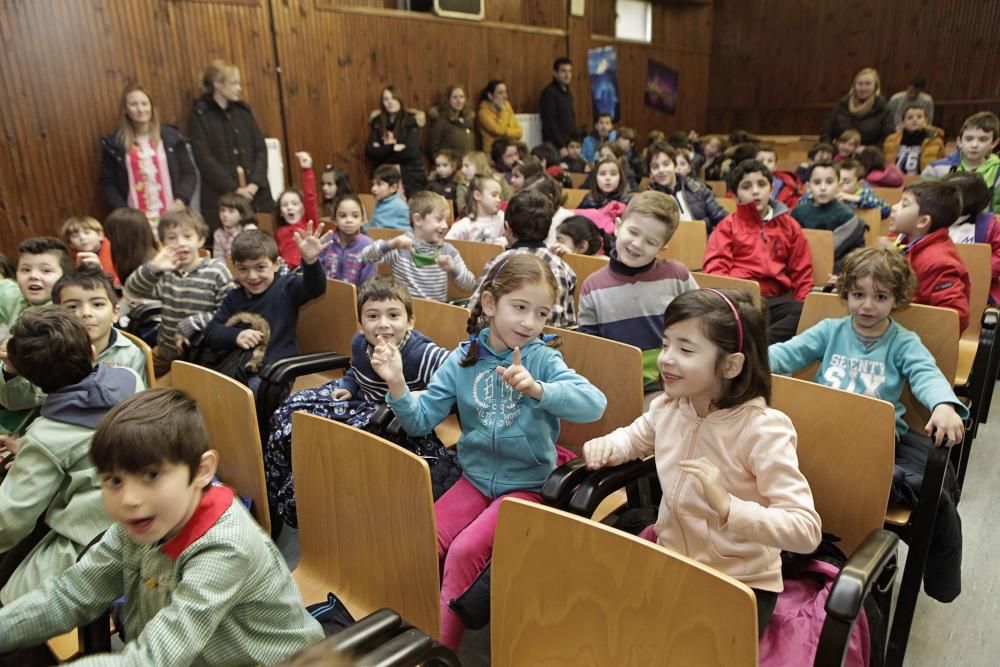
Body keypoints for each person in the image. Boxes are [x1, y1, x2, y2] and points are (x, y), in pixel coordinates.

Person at [370, 253, 607, 649]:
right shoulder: (461, 359)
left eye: (541, 312)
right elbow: (418, 420)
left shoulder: (543, 358)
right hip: (475, 477)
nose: (530, 322)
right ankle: (406, 633)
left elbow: (593, 403)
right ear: (490, 305)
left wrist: (538, 389)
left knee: (464, 552)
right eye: (520, 307)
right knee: (421, 537)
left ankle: (439, 653)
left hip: (528, 485)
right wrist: (397, 385)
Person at [0, 388, 324, 663]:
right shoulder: (142, 522)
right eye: (113, 480)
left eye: (151, 475)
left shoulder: (225, 547)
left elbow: (151, 659)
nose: (128, 498)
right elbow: (71, 595)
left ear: (201, 471)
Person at [584, 288, 821, 635]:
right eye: (666, 344)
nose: (665, 358)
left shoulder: (763, 429)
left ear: (731, 364)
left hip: (741, 584)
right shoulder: (668, 407)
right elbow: (634, 438)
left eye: (685, 349)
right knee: (609, 626)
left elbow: (805, 529)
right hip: (673, 558)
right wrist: (608, 445)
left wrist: (728, 508)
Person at [769, 247, 965, 602]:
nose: (867, 306)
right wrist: (744, 363)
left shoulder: (903, 342)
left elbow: (926, 374)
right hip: (819, 431)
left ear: (897, 298)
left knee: (903, 489)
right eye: (858, 295)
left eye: (880, 297)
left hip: (871, 443)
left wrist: (943, 404)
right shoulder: (830, 330)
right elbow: (786, 355)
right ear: (847, 293)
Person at [265, 276, 453, 528]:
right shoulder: (360, 342)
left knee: (331, 446)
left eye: (393, 315)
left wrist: (425, 394)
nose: (383, 324)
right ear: (361, 324)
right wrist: (348, 385)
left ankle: (305, 500)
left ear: (410, 322)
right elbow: (355, 372)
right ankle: (275, 495)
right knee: (289, 412)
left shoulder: (423, 353)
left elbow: (458, 372)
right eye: (373, 316)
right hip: (359, 401)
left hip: (394, 417)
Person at [0, 308, 141, 604]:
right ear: (92, 353)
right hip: (148, 516)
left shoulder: (47, 436)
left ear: (30, 379)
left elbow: (9, 521)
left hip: (94, 543)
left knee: (11, 605)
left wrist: (32, 453)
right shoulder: (128, 378)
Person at [578, 192, 699, 387]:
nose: (637, 244)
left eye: (651, 242)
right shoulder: (592, 286)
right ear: (617, 227)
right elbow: (591, 347)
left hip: (668, 381)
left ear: (662, 247)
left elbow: (699, 323)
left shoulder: (677, 275)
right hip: (615, 382)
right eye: (633, 232)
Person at [203, 226, 330, 390]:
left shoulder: (286, 287)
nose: (252, 276)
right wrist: (236, 335)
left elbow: (315, 288)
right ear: (234, 268)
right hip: (240, 367)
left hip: (277, 371)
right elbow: (211, 332)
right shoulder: (234, 296)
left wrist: (310, 262)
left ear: (276, 264)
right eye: (243, 269)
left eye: (260, 267)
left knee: (248, 391)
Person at [704, 160, 813, 343]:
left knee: (803, 312)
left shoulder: (789, 225)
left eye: (761, 184)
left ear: (771, 188)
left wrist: (804, 303)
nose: (755, 191)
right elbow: (715, 271)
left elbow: (802, 273)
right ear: (736, 195)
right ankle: (756, 348)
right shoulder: (727, 226)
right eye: (746, 186)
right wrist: (729, 302)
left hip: (773, 302)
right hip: (740, 301)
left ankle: (753, 348)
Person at [124, 208, 234, 377]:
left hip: (202, 357)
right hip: (166, 353)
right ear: (162, 244)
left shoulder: (216, 270)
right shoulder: (166, 273)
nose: (180, 243)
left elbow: (229, 313)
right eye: (172, 238)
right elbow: (133, 288)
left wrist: (192, 323)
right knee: (134, 375)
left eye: (187, 236)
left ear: (201, 239)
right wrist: (154, 267)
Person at [189, 60, 274, 238]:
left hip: (256, 193)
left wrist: (255, 183)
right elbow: (204, 159)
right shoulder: (200, 114)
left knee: (265, 240)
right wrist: (234, 188)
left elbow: (260, 148)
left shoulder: (243, 111)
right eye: (234, 83)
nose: (239, 88)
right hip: (222, 196)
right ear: (218, 84)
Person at [469, 190, 578, 328]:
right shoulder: (564, 268)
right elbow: (568, 324)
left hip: (501, 344)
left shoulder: (499, 263)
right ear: (549, 228)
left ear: (507, 227)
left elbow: (474, 310)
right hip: (549, 345)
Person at [100, 82, 197, 226]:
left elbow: (189, 173)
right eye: (134, 104)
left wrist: (181, 200)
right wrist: (124, 212)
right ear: (126, 109)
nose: (140, 109)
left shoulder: (171, 136)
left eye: (144, 104)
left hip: (172, 215)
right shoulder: (115, 143)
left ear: (151, 106)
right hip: (137, 221)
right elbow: (108, 183)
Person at [1, 238, 71, 428]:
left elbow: (26, 399)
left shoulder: (59, 323)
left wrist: (10, 368)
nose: (33, 276)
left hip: (36, 417)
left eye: (45, 270)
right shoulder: (17, 299)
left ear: (65, 277)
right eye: (25, 270)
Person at [361, 192, 477, 302]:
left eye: (446, 220)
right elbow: (365, 257)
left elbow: (470, 285)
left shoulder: (447, 251)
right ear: (418, 220)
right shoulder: (400, 246)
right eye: (439, 219)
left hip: (436, 313)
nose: (445, 225)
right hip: (404, 313)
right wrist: (390, 244)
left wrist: (453, 269)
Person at [888, 180, 970, 331]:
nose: (894, 207)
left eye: (904, 204)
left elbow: (954, 317)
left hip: (914, 341)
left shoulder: (939, 262)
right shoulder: (901, 242)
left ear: (923, 221)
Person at [52, 266, 149, 382]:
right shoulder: (51, 350)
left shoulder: (130, 354)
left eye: (97, 304)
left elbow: (139, 398)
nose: (86, 313)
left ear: (115, 313)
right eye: (72, 307)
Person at [923, 112, 1000, 214]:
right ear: (959, 141)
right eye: (969, 139)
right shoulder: (936, 168)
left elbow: (997, 210)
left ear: (994, 143)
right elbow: (925, 203)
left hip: (985, 227)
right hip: (945, 224)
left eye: (983, 139)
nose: (974, 144)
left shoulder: (998, 170)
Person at [943, 172, 1000, 303]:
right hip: (942, 281)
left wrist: (978, 268)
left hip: (982, 288)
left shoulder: (989, 225)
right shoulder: (935, 219)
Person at [646, 142, 728, 232]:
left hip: (703, 242)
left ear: (674, 166)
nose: (661, 170)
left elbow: (721, 217)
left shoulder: (696, 188)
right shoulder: (649, 199)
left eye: (666, 164)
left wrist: (701, 225)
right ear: (650, 173)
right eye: (655, 167)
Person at [366, 85, 427, 196]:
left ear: (399, 99)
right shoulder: (377, 122)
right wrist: (393, 148)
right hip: (384, 176)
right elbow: (371, 152)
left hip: (409, 176)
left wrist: (382, 151)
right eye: (386, 99)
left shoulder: (411, 120)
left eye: (393, 98)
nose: (390, 102)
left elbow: (411, 152)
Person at [820, 67, 894, 147]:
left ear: (875, 86)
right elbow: (826, 130)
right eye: (860, 84)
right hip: (839, 153)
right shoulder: (842, 105)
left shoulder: (883, 109)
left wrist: (867, 150)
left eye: (868, 84)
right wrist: (827, 148)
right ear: (854, 86)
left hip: (869, 155)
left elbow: (888, 139)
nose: (863, 88)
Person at [319, 194, 376, 286]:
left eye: (355, 216)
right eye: (343, 216)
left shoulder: (368, 245)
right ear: (335, 220)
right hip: (326, 296)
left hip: (357, 298)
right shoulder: (326, 241)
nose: (349, 220)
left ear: (363, 220)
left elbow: (368, 283)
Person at [274, 152, 320, 268]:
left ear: (303, 208)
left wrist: (306, 170)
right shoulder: (279, 232)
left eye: (294, 203)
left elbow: (310, 198)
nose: (290, 207)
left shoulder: (309, 224)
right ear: (280, 212)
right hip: (286, 273)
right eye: (285, 205)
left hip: (307, 270)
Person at [792, 161, 858, 230]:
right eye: (817, 182)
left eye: (829, 182)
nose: (823, 188)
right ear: (808, 187)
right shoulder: (798, 212)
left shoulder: (847, 216)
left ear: (839, 186)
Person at [882, 104, 945, 175]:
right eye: (910, 117)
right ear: (903, 123)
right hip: (894, 181)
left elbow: (940, 165)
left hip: (922, 182)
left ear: (926, 121)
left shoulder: (935, 141)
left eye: (919, 117)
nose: (915, 120)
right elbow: (885, 164)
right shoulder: (891, 140)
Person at [446, 176, 505, 245]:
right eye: (494, 195)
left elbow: (514, 237)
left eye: (499, 196)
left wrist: (502, 241)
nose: (499, 200)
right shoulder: (464, 225)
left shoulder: (501, 217)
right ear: (477, 195)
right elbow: (447, 245)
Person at [59, 216, 118, 284]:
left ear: (100, 235)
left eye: (87, 233)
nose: (82, 238)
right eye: (75, 236)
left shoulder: (115, 250)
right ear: (71, 244)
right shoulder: (71, 261)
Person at [427, 85, 476, 159]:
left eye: (461, 97)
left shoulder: (468, 120)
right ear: (448, 100)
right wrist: (445, 165)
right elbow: (433, 149)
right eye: (455, 97)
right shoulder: (441, 121)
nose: (459, 101)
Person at [476, 79, 523, 156]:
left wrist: (506, 132)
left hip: (510, 150)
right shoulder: (483, 113)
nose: (505, 96)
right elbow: (499, 131)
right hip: (494, 153)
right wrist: (502, 111)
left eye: (505, 92)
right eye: (500, 93)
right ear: (490, 96)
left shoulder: (507, 105)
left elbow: (519, 132)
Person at [456, 151, 510, 216]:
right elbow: (462, 209)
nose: (462, 170)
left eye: (466, 166)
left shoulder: (499, 179)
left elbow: (510, 201)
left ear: (478, 165)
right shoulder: (463, 185)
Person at [539, 57, 576, 153]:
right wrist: (561, 146)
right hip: (554, 146)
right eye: (563, 71)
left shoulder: (569, 93)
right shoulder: (549, 93)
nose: (567, 75)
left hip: (567, 144)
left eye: (570, 71)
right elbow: (549, 122)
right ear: (555, 73)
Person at [213, 192, 257, 262]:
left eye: (231, 211)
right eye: (222, 210)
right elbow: (218, 257)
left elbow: (253, 254)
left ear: (242, 215)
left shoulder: (249, 229)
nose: (225, 215)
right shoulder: (218, 233)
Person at [755, 144, 801, 209]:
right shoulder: (747, 184)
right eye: (761, 161)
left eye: (770, 161)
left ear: (775, 166)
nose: (765, 164)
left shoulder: (784, 185)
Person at [367, 164, 411, 231]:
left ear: (393, 188)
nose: (373, 188)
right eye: (373, 184)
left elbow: (407, 231)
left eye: (379, 184)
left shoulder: (400, 207)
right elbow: (374, 226)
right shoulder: (379, 202)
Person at [427, 148, 461, 214]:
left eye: (445, 165)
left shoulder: (458, 183)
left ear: (453, 166)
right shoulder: (432, 182)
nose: (441, 169)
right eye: (438, 166)